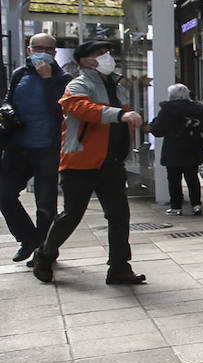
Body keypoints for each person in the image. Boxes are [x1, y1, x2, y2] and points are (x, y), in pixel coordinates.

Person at [31, 40, 145, 285]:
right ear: (85, 61)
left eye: (107, 52)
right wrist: (119, 114)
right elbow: (84, 109)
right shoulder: (78, 85)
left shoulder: (115, 84)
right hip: (80, 162)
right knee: (72, 215)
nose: (107, 57)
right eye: (100, 53)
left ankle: (119, 267)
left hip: (112, 162)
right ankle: (44, 255)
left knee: (118, 215)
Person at [1, 33, 70, 264]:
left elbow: (61, 110)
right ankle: (27, 239)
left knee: (45, 204)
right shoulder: (19, 74)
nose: (43, 52)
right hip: (18, 147)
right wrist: (8, 109)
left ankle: (44, 251)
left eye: (48, 49)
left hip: (48, 149)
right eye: (38, 48)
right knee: (4, 193)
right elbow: (8, 98)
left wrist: (48, 79)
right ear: (29, 50)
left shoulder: (63, 79)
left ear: (55, 53)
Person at [148, 84, 203, 216]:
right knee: (192, 178)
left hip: (173, 150)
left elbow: (158, 131)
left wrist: (152, 124)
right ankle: (196, 205)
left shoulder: (166, 110)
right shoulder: (197, 109)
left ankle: (176, 206)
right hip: (193, 148)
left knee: (174, 179)